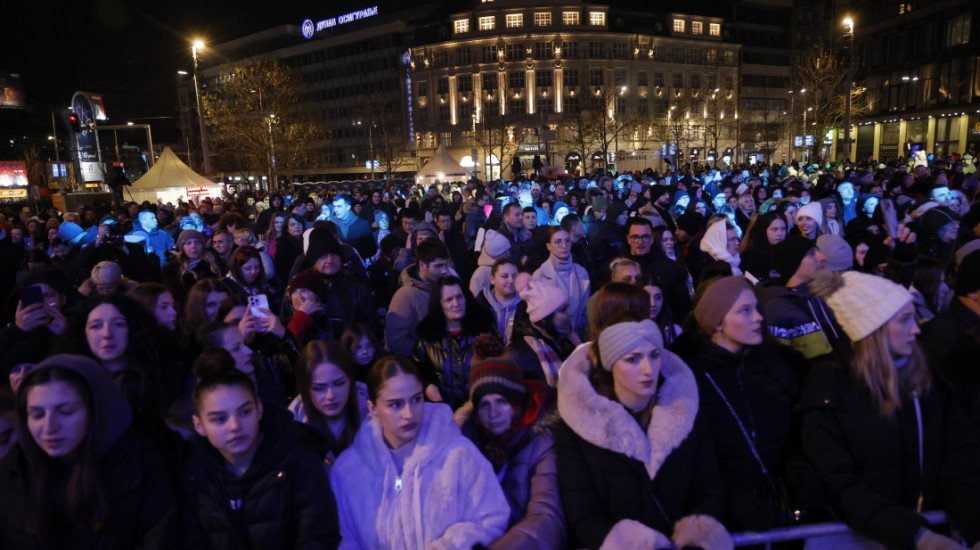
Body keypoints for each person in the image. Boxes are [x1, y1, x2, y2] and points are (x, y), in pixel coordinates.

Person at [799, 270, 980, 549]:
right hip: (866, 540)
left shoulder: (927, 381)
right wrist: (916, 536)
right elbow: (838, 483)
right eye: (905, 319)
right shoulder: (827, 390)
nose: (917, 328)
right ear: (873, 329)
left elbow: (960, 457)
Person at [554, 318, 730, 549]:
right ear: (610, 364)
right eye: (632, 359)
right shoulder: (579, 427)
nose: (648, 369)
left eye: (655, 356)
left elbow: (709, 491)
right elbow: (584, 515)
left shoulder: (685, 412)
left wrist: (695, 539)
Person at [671, 276, 809, 532]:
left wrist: (798, 469)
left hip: (783, 509)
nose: (758, 317)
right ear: (718, 322)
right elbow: (691, 458)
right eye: (745, 311)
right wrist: (729, 495)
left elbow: (795, 433)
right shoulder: (692, 381)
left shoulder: (778, 369)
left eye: (756, 308)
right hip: (728, 519)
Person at [330, 356, 510, 549]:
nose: (409, 413)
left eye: (416, 399)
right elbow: (344, 540)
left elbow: (491, 517)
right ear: (372, 408)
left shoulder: (458, 453)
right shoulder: (348, 471)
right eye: (396, 404)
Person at [0, 354, 177, 548]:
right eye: (37, 414)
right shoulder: (14, 472)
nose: (49, 427)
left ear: (96, 411)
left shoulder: (143, 470)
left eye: (66, 411)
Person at [182, 367, 341, 549]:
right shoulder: (194, 475)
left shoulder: (297, 457)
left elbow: (318, 535)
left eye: (244, 412)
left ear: (259, 409)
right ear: (199, 425)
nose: (235, 426)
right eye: (219, 419)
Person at [454, 334, 566, 549]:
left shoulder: (542, 441)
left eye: (501, 402)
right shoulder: (465, 440)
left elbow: (546, 515)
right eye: (484, 405)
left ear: (516, 403)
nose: (493, 413)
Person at [413, 276, 496, 410]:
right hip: (444, 412)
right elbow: (416, 371)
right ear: (439, 304)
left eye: (459, 297)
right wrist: (427, 386)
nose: (456, 303)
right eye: (449, 299)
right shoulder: (427, 338)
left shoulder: (483, 330)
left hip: (481, 409)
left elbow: (498, 367)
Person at [289, 340, 368, 465]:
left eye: (339, 383)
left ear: (350, 381)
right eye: (319, 388)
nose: (330, 396)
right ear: (305, 388)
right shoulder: (294, 421)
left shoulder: (373, 407)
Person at [385, 237, 452, 357]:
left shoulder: (446, 285)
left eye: (446, 265)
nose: (444, 271)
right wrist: (428, 356)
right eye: (438, 266)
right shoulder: (406, 296)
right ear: (422, 265)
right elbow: (396, 340)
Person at [510, 281, 581, 387]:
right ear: (544, 319)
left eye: (568, 307)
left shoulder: (569, 339)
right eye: (563, 309)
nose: (571, 313)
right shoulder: (518, 354)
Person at [532, 227, 590, 336]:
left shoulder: (581, 272)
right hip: (552, 339)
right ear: (549, 246)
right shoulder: (539, 275)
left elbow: (585, 313)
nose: (564, 246)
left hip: (578, 337)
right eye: (558, 242)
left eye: (567, 241)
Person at [162, 229, 222, 305]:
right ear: (182, 247)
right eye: (188, 243)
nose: (193, 246)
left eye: (197, 242)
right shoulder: (171, 269)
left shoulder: (214, 265)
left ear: (202, 246)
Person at [474, 258, 522, 346]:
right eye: (505, 276)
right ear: (492, 279)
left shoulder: (526, 305)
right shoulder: (481, 307)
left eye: (514, 276)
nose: (511, 280)